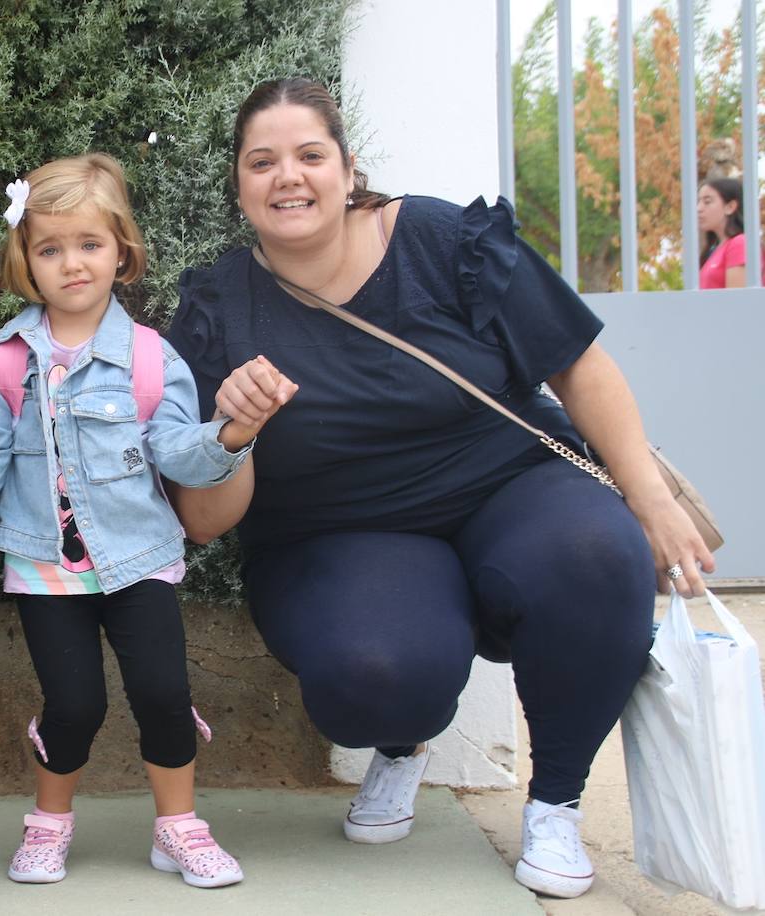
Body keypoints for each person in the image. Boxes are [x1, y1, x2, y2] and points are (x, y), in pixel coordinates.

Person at [162, 77, 716, 900]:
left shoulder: (442, 239)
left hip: (510, 485)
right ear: (240, 188)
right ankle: (402, 742)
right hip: (338, 533)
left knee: (597, 554)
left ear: (349, 171)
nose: (289, 176)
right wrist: (233, 435)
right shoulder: (219, 307)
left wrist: (651, 499)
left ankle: (556, 803)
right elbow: (204, 521)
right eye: (262, 161)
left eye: (311, 155)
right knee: (373, 672)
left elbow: (577, 362)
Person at [0, 153, 275, 889]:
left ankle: (179, 828)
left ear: (121, 252)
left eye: (89, 244)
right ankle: (48, 825)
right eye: (50, 247)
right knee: (75, 704)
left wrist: (229, 434)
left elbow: (179, 454)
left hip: (138, 558)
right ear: (25, 257)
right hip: (43, 566)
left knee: (163, 694)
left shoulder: (152, 361)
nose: (71, 264)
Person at [698, 176, 759, 288]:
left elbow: (737, 301)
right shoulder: (713, 249)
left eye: (707, 201)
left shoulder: (739, 244)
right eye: (699, 201)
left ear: (730, 207)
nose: (699, 208)